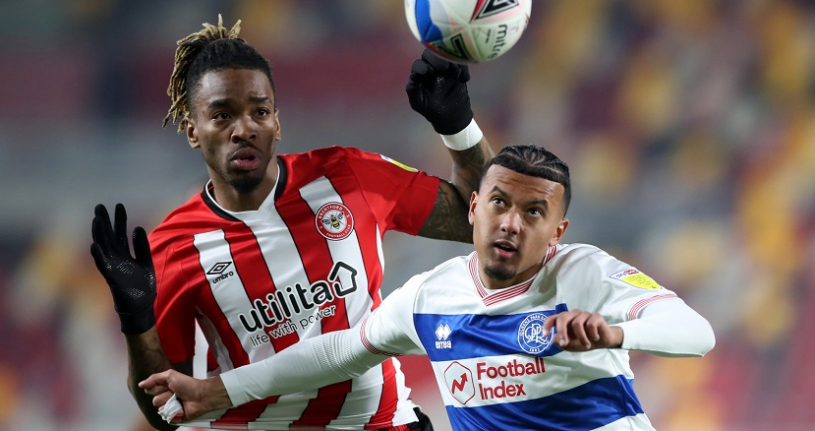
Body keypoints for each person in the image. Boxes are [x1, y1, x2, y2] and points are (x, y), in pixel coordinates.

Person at [90, 15, 494, 430]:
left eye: (259, 112)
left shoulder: (348, 176)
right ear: (193, 131)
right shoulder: (173, 247)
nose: (244, 129)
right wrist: (136, 318)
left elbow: (481, 223)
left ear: (276, 123)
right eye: (222, 116)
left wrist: (458, 126)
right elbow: (167, 410)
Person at [139, 144, 716, 431]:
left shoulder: (584, 273)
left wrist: (617, 332)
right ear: (474, 208)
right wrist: (220, 391)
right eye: (499, 203)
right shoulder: (431, 297)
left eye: (534, 212)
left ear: (557, 232)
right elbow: (338, 352)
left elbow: (696, 333)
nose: (511, 223)